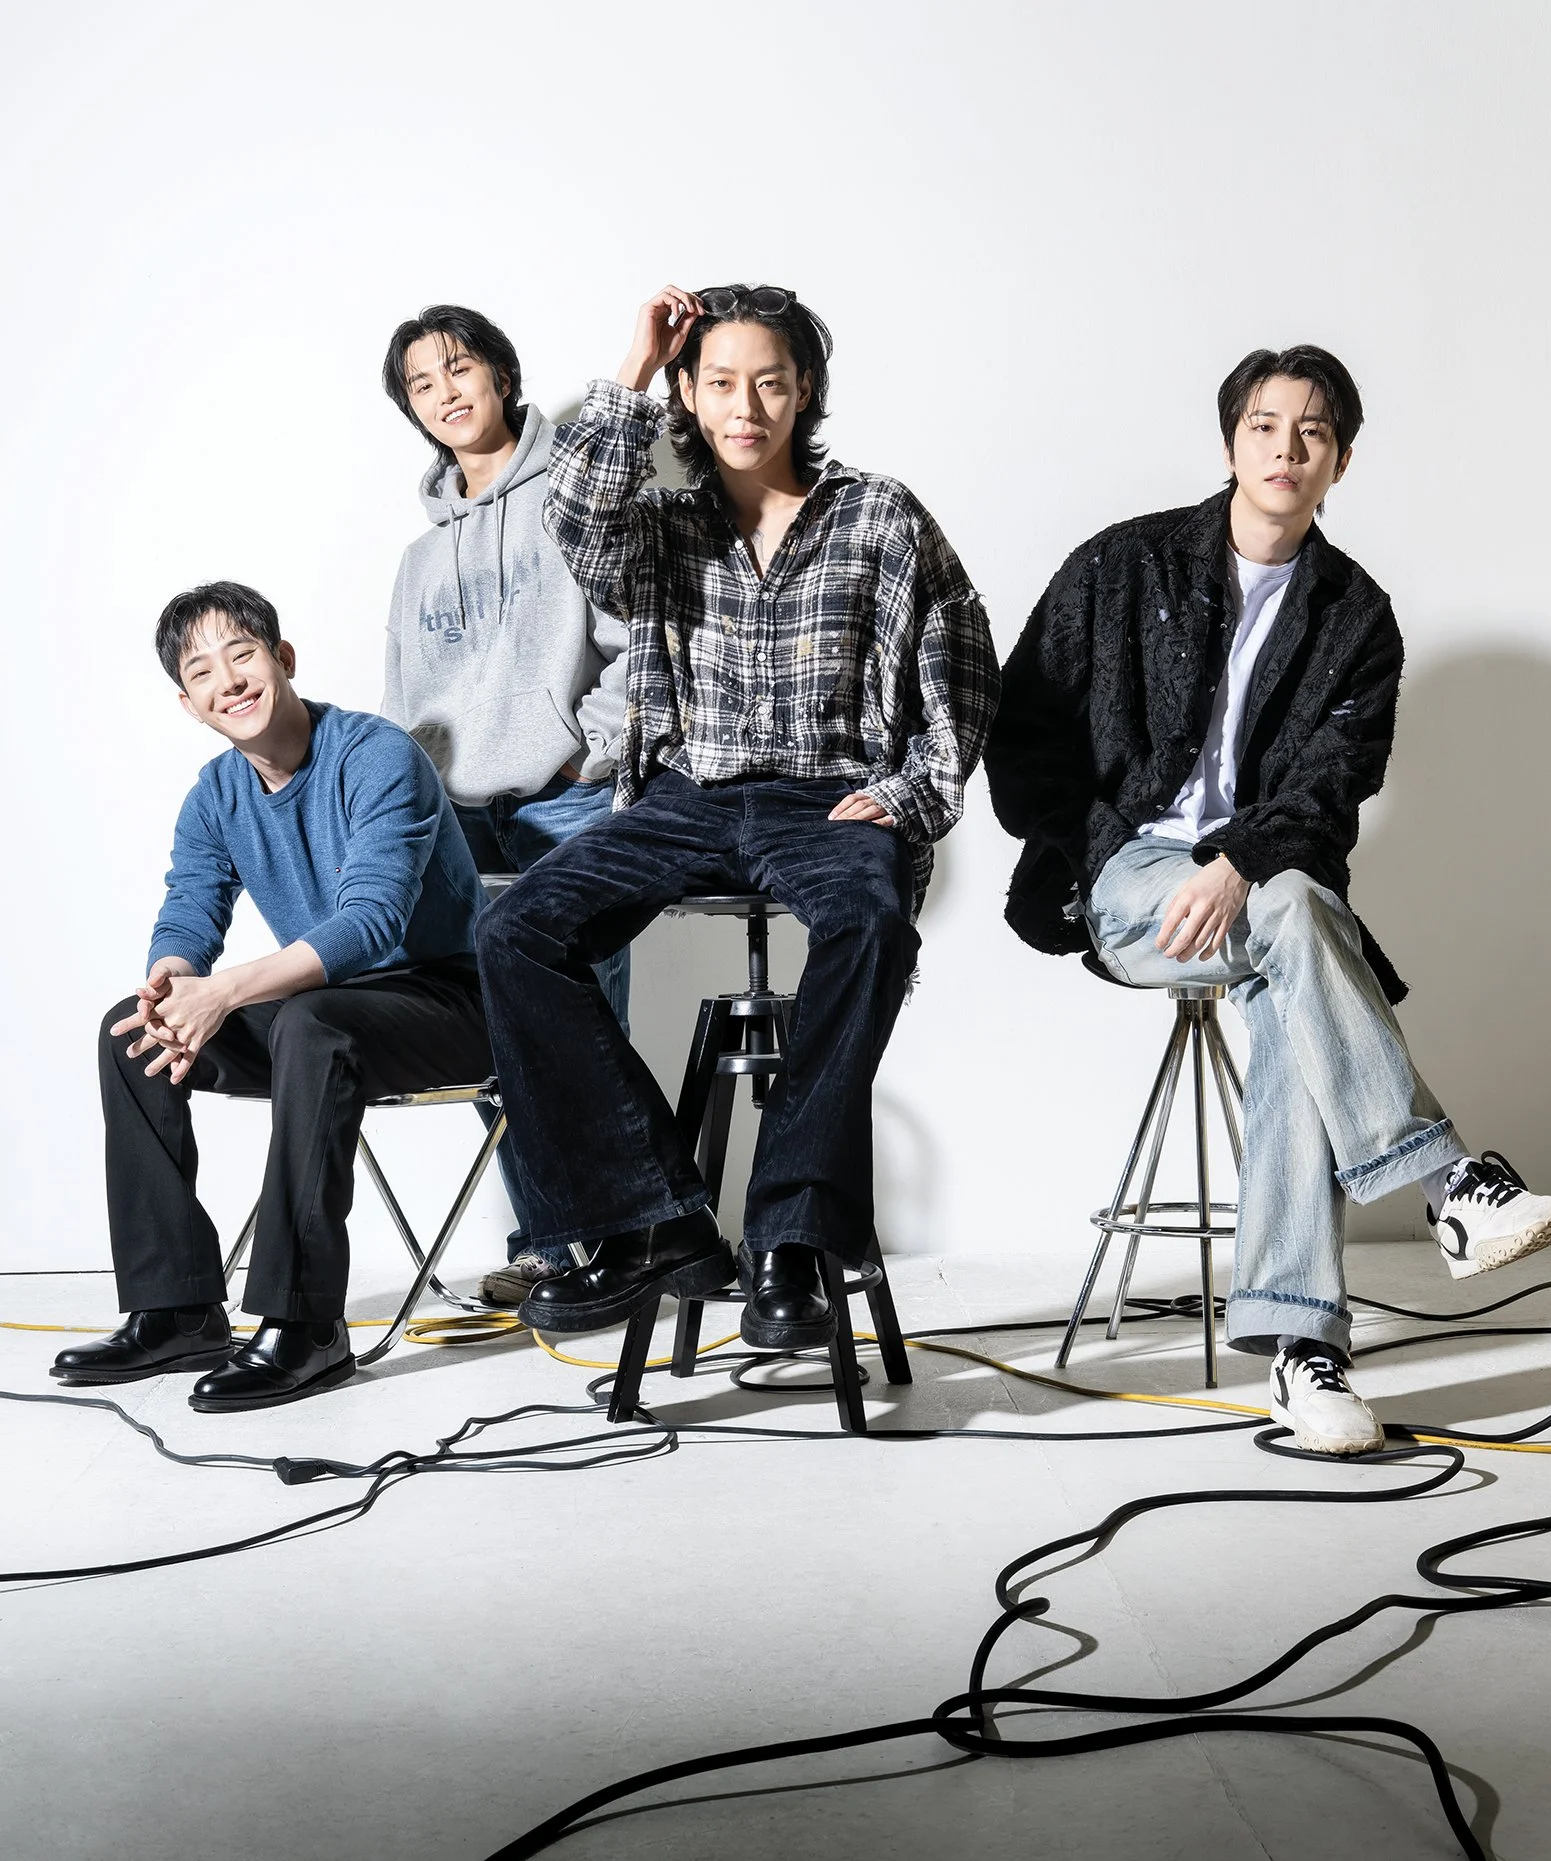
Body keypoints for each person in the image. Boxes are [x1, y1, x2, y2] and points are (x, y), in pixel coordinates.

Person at [986, 346, 1551, 1456]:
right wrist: (1106, 849)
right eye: (1265, 425)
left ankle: (1306, 1359)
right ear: (1229, 444)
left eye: (1311, 431)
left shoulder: (1356, 615)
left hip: (1264, 900)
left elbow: (1332, 781)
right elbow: (1022, 742)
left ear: (1340, 460)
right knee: (1298, 922)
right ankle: (1443, 1184)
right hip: (1121, 883)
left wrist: (1238, 862)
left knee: (1292, 961)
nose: (1285, 447)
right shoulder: (1121, 567)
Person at [476, 283, 999, 1348]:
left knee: (868, 919)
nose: (745, 404)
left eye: (768, 379)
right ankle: (655, 1221)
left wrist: (910, 793)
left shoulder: (879, 514)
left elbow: (962, 655)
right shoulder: (660, 520)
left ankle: (794, 1243)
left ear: (805, 388)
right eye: (719, 382)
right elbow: (570, 516)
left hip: (829, 793)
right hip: (690, 794)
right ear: (689, 392)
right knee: (513, 929)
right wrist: (633, 364)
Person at [51, 583, 490, 1410]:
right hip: (323, 1012)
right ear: (189, 703)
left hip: (451, 1002)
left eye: (243, 655)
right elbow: (190, 909)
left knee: (314, 1024)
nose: (231, 682)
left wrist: (225, 993)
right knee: (129, 1032)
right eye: (204, 672)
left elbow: (370, 921)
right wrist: (173, 983)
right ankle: (177, 1306)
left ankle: (306, 1325)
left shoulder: (376, 754)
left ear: (283, 660)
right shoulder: (214, 795)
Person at [381, 304, 630, 1307]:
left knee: (581, 1031)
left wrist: (597, 750)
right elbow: (401, 703)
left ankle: (616, 1243)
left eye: (459, 366)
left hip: (569, 807)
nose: (446, 392)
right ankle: (549, 1245)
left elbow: (638, 635)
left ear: (501, 371)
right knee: (497, 1034)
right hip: (458, 821)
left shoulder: (568, 497)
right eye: (421, 384)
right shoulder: (416, 560)